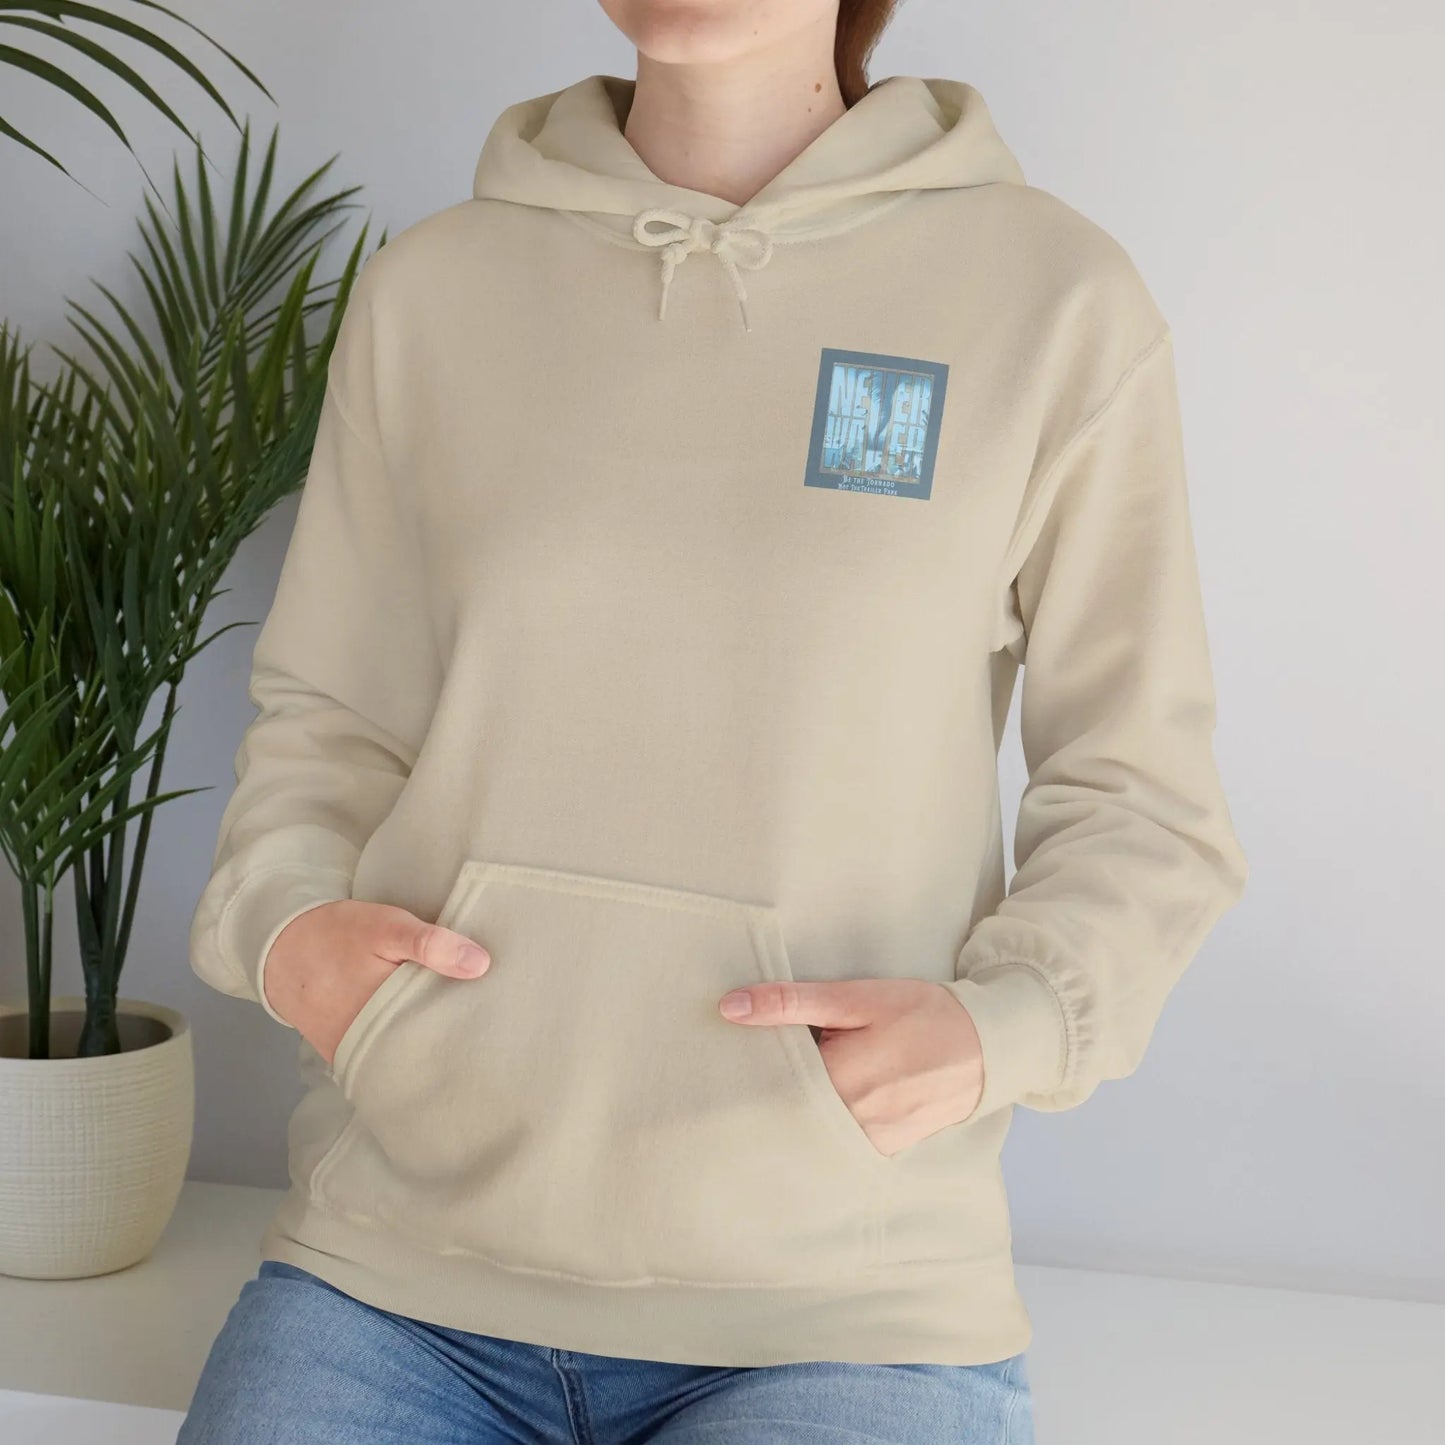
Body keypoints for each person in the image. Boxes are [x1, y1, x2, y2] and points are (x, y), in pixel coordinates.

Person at [178, 1, 1248, 1440]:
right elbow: (330, 712)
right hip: (398, 1273)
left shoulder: (1053, 301)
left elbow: (1141, 792)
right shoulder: (437, 289)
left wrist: (1010, 1025)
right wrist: (289, 932)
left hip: (843, 1308)